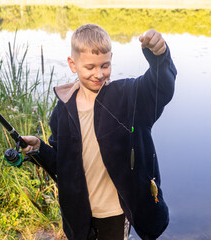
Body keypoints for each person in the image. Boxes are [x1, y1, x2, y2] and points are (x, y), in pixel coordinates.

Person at [22, 24, 177, 240]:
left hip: (115, 213)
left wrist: (160, 56)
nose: (99, 74)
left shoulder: (128, 96)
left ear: (111, 58)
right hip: (79, 213)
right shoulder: (62, 110)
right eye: (90, 67)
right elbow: (62, 165)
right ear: (72, 64)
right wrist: (39, 149)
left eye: (105, 65)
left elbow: (160, 88)